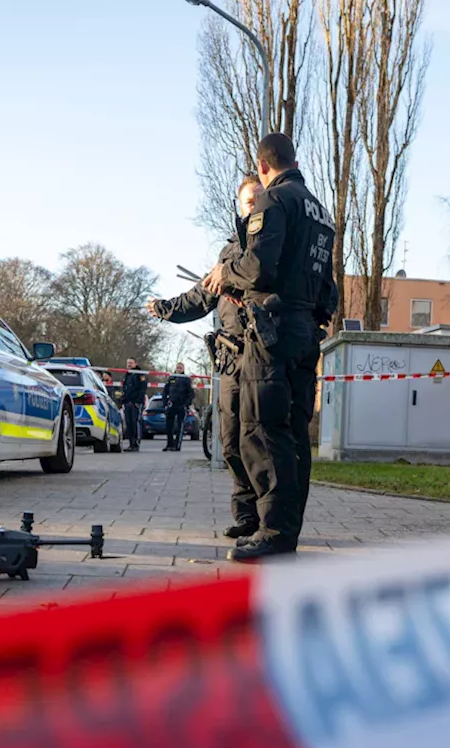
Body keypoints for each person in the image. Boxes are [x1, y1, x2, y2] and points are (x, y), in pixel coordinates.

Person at [202, 133, 337, 562]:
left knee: (262, 429)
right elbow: (326, 286)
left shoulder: (275, 202)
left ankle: (274, 531)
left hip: (272, 332)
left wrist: (226, 273)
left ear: (262, 167)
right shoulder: (321, 212)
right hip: (305, 332)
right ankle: (287, 528)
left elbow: (258, 267)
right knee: (295, 432)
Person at [147, 175, 265, 537]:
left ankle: (268, 518)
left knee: (258, 440)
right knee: (229, 442)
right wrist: (166, 308)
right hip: (231, 359)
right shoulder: (229, 251)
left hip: (263, 357)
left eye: (260, 199)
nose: (256, 206)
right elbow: (201, 296)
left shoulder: (274, 243)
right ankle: (246, 514)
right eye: (250, 201)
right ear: (239, 205)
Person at [160, 362, 194, 452]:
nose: (178, 369)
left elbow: (191, 393)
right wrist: (165, 403)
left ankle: (177, 445)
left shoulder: (186, 379)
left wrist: (186, 404)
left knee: (180, 426)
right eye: (177, 368)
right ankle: (169, 444)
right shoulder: (171, 378)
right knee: (168, 426)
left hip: (181, 405)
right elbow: (165, 391)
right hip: (171, 405)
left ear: (183, 369)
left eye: (180, 368)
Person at [120, 357, 147, 451]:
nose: (129, 365)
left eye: (131, 363)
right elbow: (124, 389)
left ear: (135, 363)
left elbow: (142, 389)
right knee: (129, 423)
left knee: (136, 423)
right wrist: (123, 401)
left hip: (136, 403)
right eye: (128, 363)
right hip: (128, 403)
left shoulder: (140, 374)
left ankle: (136, 444)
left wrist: (138, 401)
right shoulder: (127, 374)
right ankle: (131, 444)